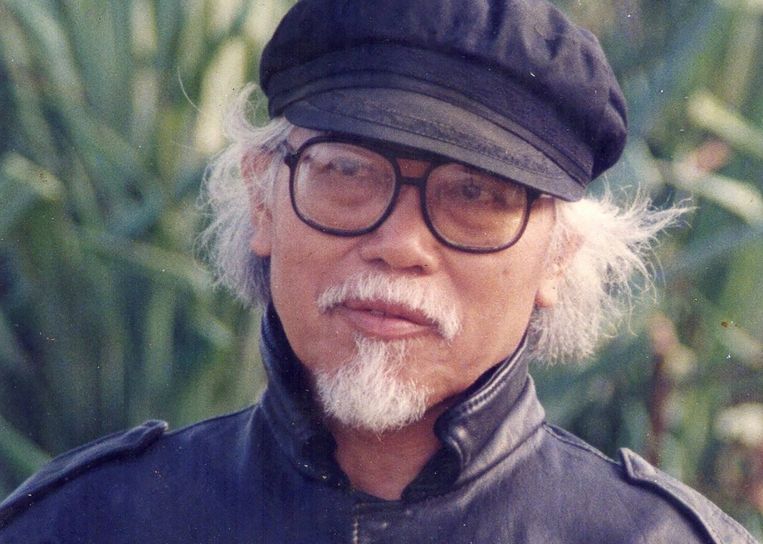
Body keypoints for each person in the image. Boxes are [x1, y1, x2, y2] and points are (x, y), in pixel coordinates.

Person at [0, 0, 758, 542]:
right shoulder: (86, 522)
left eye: (475, 195)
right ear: (263, 200)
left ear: (557, 256)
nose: (400, 244)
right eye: (347, 171)